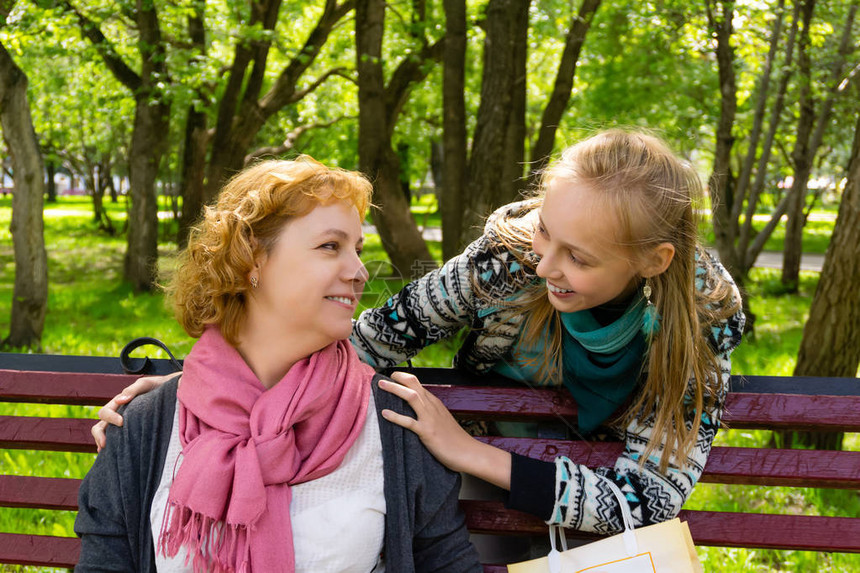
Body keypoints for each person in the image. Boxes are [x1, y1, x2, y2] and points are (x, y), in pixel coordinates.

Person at [93, 130, 744, 539]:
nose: (546, 266)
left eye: (580, 257)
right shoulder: (509, 259)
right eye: (547, 231)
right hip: (488, 496)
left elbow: (649, 498)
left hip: (571, 511)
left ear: (653, 260)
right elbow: (374, 337)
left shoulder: (702, 320)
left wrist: (467, 452)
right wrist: (197, 384)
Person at [75, 158, 481, 572]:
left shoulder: (394, 424)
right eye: (330, 246)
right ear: (251, 259)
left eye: (357, 250)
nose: (360, 272)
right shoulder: (146, 427)